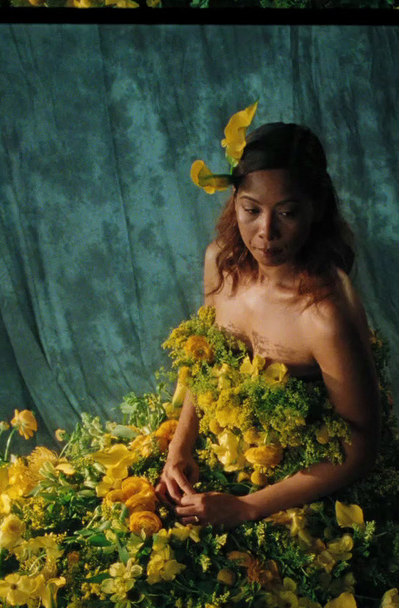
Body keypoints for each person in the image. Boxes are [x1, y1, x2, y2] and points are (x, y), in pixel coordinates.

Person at [158, 123, 382, 529]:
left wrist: (248, 507)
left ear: (315, 209)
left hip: (299, 480)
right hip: (225, 450)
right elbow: (208, 362)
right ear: (234, 202)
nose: (266, 232)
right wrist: (180, 445)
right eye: (252, 210)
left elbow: (362, 445)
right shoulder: (221, 263)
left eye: (287, 212)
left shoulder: (324, 314)